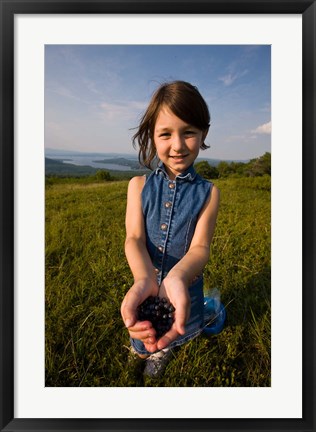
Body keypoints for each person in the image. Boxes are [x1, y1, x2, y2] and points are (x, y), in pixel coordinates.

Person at [120, 80, 220, 378]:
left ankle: (164, 350)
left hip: (184, 287)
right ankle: (144, 349)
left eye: (189, 132)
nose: (177, 145)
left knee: (173, 329)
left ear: (204, 133)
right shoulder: (137, 186)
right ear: (152, 135)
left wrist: (175, 276)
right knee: (145, 332)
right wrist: (143, 278)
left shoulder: (209, 192)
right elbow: (134, 238)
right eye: (165, 134)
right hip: (147, 288)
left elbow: (201, 247)